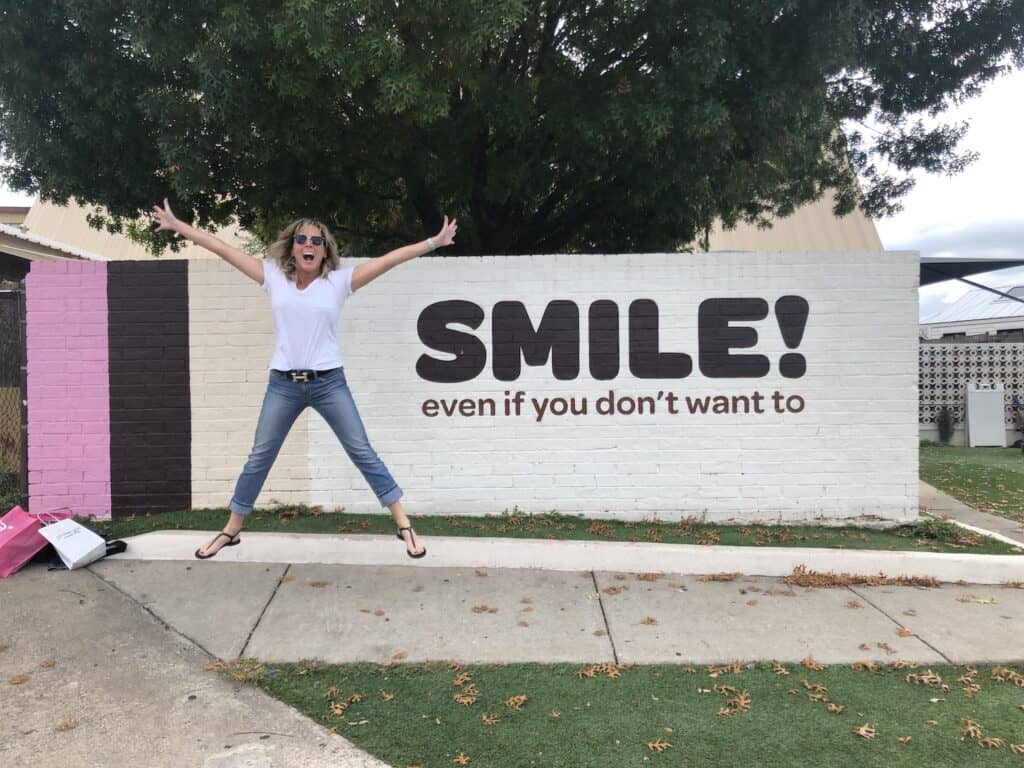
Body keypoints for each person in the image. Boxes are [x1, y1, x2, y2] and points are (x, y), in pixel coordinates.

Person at [150, 199, 457, 560]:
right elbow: (222, 247)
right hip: (283, 385)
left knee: (361, 450)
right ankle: (231, 530)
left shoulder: (339, 283)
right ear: (291, 248)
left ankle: (403, 524)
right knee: (260, 457)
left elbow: (389, 260)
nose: (309, 244)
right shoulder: (273, 279)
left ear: (325, 250)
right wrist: (178, 225)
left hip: (329, 383)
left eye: (316, 240)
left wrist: (434, 243)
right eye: (301, 239)